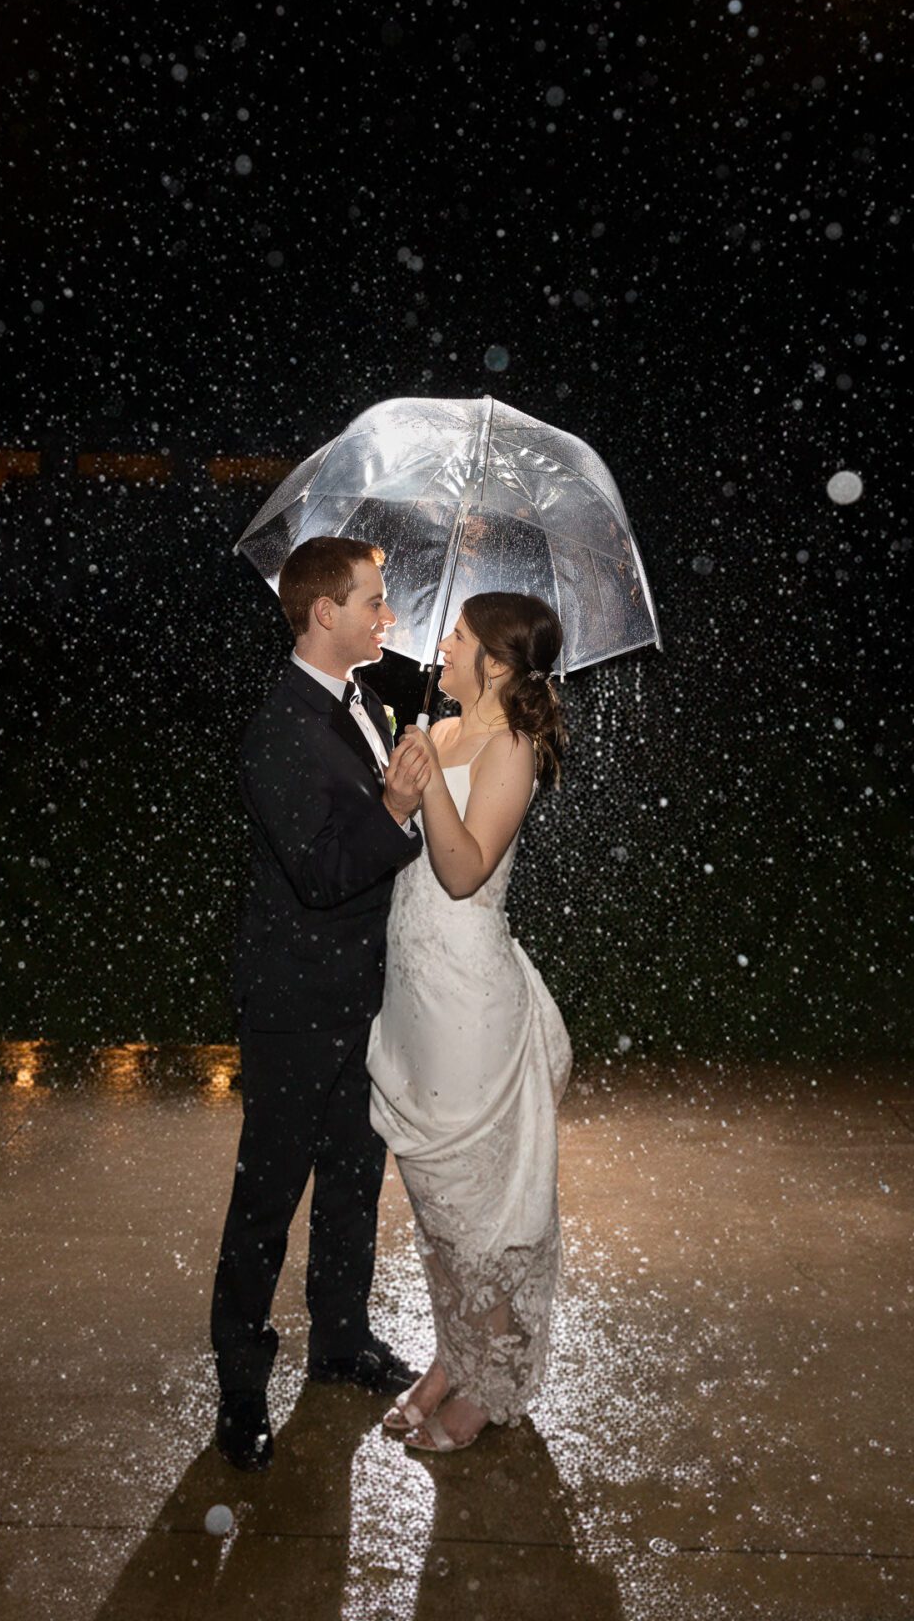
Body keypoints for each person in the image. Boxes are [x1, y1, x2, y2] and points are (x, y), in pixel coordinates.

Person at [211, 535, 433, 1471]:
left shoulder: (368, 701)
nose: (387, 615)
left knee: (353, 1179)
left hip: (367, 995)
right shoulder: (278, 728)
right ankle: (241, 1387)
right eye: (372, 601)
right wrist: (390, 810)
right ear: (322, 614)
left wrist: (411, 788)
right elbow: (319, 873)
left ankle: (341, 1342)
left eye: (384, 600)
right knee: (269, 1196)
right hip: (297, 1002)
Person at [367, 591, 572, 1454]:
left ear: (493, 660)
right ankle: (453, 1359)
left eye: (454, 637)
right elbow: (400, 843)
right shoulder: (445, 734)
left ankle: (489, 1384)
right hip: (413, 991)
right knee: (430, 1199)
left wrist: (429, 788)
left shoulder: (510, 748)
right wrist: (399, 786)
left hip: (468, 1001)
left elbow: (461, 869)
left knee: (472, 1207)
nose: (439, 648)